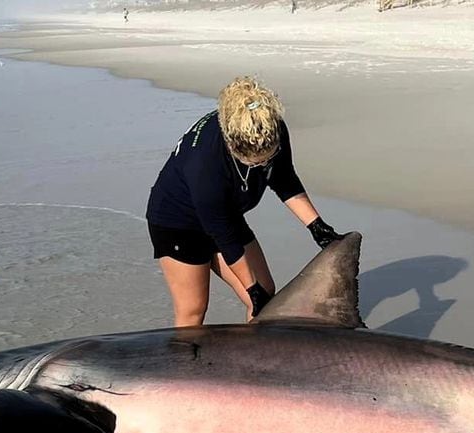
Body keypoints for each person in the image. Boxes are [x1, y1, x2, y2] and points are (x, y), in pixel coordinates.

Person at [145, 76, 345, 327]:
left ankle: (254, 362)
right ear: (231, 143)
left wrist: (316, 226)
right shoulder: (204, 164)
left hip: (225, 213)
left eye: (266, 159)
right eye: (255, 162)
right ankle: (183, 364)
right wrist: (251, 288)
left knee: (266, 297)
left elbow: (283, 178)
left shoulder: (270, 129)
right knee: (193, 309)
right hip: (178, 224)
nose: (262, 165)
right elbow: (224, 235)